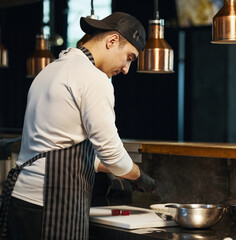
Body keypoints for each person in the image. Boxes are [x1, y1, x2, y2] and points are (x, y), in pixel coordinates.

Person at [0, 12, 157, 240]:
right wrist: (140, 177)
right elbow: (112, 153)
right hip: (52, 205)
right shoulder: (93, 78)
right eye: (129, 57)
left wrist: (104, 167)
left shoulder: (52, 69)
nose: (126, 69)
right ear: (112, 41)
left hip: (22, 201)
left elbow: (57, 145)